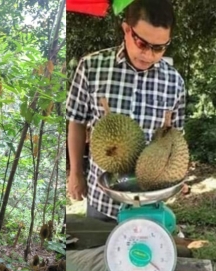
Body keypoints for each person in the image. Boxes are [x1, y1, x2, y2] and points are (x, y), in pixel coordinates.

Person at [66, 0, 186, 222]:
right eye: (142, 43)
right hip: (103, 199)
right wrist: (75, 172)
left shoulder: (174, 82)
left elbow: (175, 139)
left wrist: (176, 175)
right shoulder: (92, 67)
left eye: (159, 47)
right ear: (126, 29)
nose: (149, 55)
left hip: (149, 201)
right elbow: (76, 121)